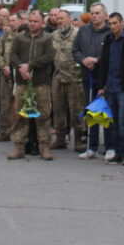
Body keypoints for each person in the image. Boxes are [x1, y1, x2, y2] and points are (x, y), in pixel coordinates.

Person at [8, 10, 55, 161]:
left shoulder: (47, 38)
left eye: (36, 21)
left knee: (43, 115)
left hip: (41, 83)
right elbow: (12, 55)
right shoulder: (20, 38)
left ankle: (45, 146)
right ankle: (19, 146)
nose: (32, 24)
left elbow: (49, 56)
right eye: (30, 21)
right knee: (22, 115)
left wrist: (31, 65)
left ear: (42, 23)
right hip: (23, 83)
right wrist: (21, 67)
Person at [95, 12, 124, 165]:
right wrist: (101, 87)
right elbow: (104, 65)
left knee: (123, 123)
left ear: (121, 23)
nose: (112, 27)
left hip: (123, 87)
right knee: (111, 122)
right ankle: (114, 151)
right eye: (110, 24)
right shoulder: (108, 40)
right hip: (110, 86)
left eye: (115, 23)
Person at [72, 2, 111, 159]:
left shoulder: (109, 32)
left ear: (104, 15)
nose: (94, 16)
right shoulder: (83, 30)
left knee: (106, 112)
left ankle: (109, 147)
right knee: (92, 111)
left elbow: (112, 54)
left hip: (105, 78)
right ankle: (92, 147)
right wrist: (84, 60)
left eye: (98, 13)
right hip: (87, 75)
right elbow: (75, 50)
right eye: (92, 13)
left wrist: (97, 60)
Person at [50, 9, 84, 152]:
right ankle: (60, 139)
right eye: (57, 19)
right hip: (58, 77)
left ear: (69, 19)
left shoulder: (78, 35)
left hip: (74, 78)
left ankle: (78, 140)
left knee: (76, 111)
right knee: (58, 110)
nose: (59, 21)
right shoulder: (53, 35)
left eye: (62, 18)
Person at [0, 13, 19, 143]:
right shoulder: (4, 37)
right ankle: (4, 131)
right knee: (5, 104)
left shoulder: (23, 37)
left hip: (19, 74)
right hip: (6, 75)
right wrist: (4, 67)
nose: (12, 23)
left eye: (14, 20)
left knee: (20, 104)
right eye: (10, 21)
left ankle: (20, 132)